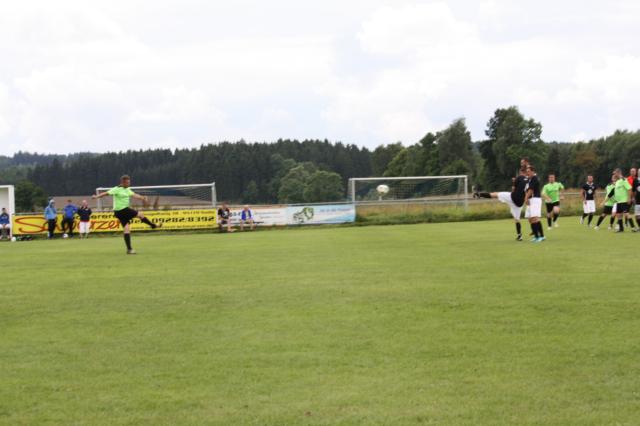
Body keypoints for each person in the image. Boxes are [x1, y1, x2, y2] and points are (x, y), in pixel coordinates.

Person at [93, 175, 161, 254]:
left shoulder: (127, 189)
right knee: (140, 214)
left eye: (129, 182)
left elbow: (134, 195)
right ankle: (152, 225)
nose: (129, 184)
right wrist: (96, 196)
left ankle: (129, 249)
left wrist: (142, 197)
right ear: (123, 182)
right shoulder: (117, 189)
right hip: (122, 210)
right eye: (127, 182)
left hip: (120, 212)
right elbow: (106, 193)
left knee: (126, 229)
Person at [475, 166, 528, 241]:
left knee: (496, 194)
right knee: (517, 219)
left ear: (521, 172)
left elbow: (513, 188)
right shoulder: (528, 180)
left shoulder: (519, 177)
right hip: (519, 203)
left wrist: (514, 181)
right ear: (526, 172)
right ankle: (519, 236)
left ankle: (480, 194)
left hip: (512, 198)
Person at [524, 165, 545, 242]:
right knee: (530, 218)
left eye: (529, 171)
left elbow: (531, 190)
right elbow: (527, 190)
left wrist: (525, 198)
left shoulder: (534, 178)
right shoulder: (529, 180)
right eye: (527, 172)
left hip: (535, 199)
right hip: (531, 200)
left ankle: (540, 236)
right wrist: (527, 198)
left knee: (535, 218)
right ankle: (538, 236)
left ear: (533, 171)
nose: (527, 173)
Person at [613, 168, 633, 233]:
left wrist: (629, 198)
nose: (614, 175)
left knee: (626, 214)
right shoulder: (618, 181)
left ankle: (633, 228)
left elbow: (629, 188)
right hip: (618, 201)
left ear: (618, 173)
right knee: (619, 215)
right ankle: (621, 229)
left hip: (624, 200)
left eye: (615, 173)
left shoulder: (624, 180)